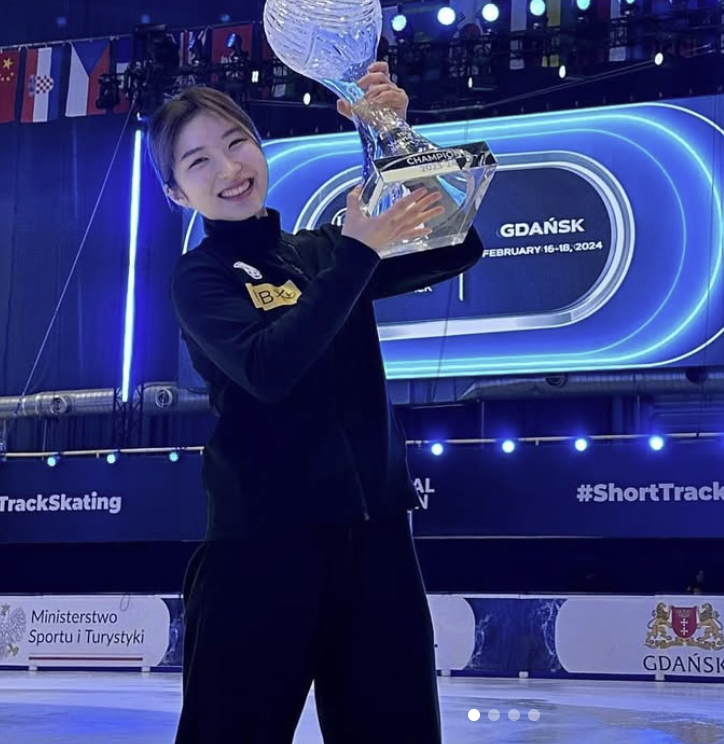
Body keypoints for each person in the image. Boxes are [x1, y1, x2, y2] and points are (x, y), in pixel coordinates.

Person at [148, 62, 483, 744]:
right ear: (177, 192)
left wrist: (392, 132)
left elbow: (457, 244)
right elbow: (269, 368)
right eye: (199, 160)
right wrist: (358, 255)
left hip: (376, 542)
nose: (229, 168)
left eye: (237, 142)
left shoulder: (325, 248)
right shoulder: (201, 279)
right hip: (261, 548)